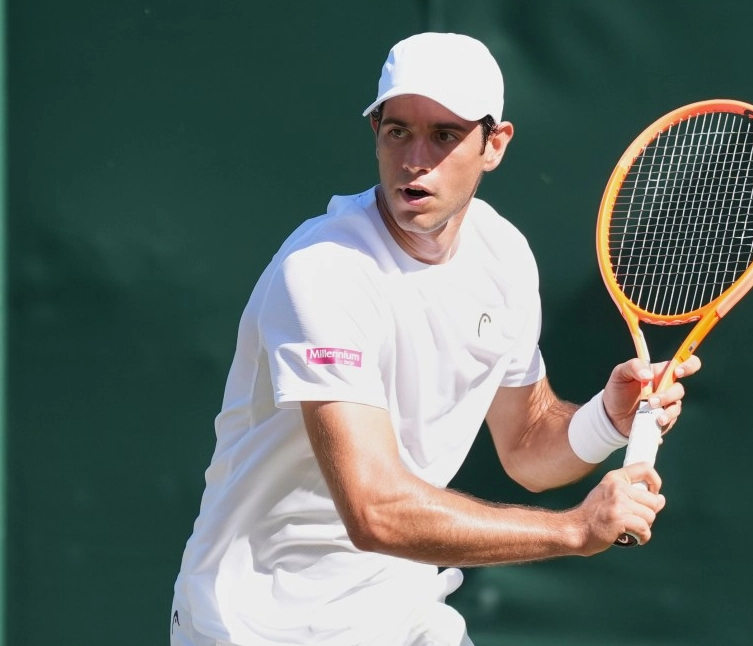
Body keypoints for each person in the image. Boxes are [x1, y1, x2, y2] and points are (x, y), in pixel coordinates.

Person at [170, 32, 701, 646]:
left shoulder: (503, 258)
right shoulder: (323, 270)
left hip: (401, 617)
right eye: (398, 131)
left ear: (494, 145)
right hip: (256, 627)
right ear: (376, 132)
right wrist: (572, 531)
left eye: (444, 135)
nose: (415, 159)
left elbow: (527, 445)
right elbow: (375, 510)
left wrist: (609, 417)